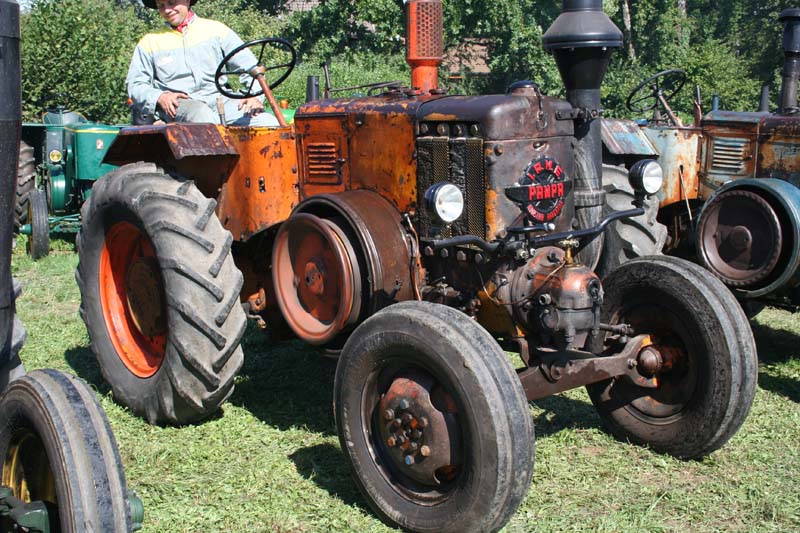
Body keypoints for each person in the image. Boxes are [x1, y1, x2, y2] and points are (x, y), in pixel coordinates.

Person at [127, 0, 278, 126]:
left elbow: (252, 68)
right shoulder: (150, 42)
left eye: (172, 3)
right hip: (180, 106)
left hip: (221, 101)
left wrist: (254, 96)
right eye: (161, 5)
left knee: (268, 122)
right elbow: (136, 85)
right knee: (201, 115)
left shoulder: (216, 30)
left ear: (187, 1)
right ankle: (217, 161)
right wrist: (159, 97)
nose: (167, 10)